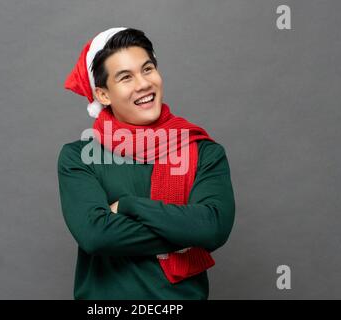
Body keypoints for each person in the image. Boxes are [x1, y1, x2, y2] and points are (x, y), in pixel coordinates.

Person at [57, 27, 235, 300]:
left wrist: (128, 205)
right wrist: (187, 230)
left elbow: (213, 228)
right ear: (103, 95)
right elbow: (95, 235)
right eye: (126, 77)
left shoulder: (203, 151)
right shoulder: (79, 157)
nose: (143, 84)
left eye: (148, 69)